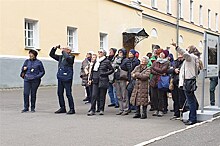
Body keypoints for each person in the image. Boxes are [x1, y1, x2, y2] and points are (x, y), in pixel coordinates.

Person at [171, 42, 201, 125]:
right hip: (190, 80)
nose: (186, 51)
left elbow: (184, 53)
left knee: (190, 101)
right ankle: (193, 116)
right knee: (191, 100)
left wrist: (176, 46)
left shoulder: (191, 57)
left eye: (188, 49)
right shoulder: (195, 58)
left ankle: (192, 118)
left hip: (188, 81)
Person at [49, 45, 75, 114]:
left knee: (68, 94)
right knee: (59, 93)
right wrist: (54, 48)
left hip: (67, 77)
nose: (63, 50)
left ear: (69, 51)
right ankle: (62, 107)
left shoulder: (71, 57)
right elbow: (51, 55)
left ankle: (72, 108)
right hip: (60, 77)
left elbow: (67, 58)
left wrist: (63, 51)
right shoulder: (61, 57)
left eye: (65, 49)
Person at [87, 49, 114, 116]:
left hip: (103, 80)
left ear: (104, 54)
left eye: (100, 52)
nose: (99, 53)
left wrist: (105, 73)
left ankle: (101, 109)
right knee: (94, 95)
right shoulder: (96, 61)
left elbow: (112, 70)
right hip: (95, 79)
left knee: (102, 95)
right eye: (98, 52)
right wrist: (90, 79)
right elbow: (92, 71)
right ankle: (92, 109)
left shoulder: (106, 61)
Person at [20, 49, 45, 113]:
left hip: (35, 80)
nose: (30, 55)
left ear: (35, 55)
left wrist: (37, 77)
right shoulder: (27, 61)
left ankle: (32, 107)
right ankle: (26, 107)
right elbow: (23, 68)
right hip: (27, 79)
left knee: (33, 94)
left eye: (32, 54)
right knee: (26, 93)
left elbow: (42, 71)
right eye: (30, 54)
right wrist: (23, 69)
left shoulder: (39, 62)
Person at [150, 49, 170, 117]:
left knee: (160, 96)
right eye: (161, 53)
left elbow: (163, 70)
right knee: (153, 96)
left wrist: (154, 68)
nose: (161, 54)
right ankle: (155, 109)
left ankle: (160, 109)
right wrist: (158, 71)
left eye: (163, 53)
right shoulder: (155, 61)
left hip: (161, 80)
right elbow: (151, 70)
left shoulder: (166, 62)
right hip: (154, 80)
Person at [121, 49, 140, 115]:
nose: (130, 54)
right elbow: (123, 67)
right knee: (129, 91)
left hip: (135, 78)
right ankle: (129, 106)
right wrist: (124, 61)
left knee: (134, 92)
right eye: (129, 53)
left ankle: (135, 106)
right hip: (129, 78)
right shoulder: (127, 60)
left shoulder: (137, 61)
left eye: (131, 53)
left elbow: (138, 69)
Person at [168, 53, 187, 118]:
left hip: (182, 83)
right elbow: (168, 70)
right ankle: (176, 113)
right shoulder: (174, 62)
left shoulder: (186, 62)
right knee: (175, 99)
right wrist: (174, 70)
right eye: (179, 56)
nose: (180, 57)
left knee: (182, 99)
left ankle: (184, 113)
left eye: (181, 56)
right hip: (174, 83)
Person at [112, 48, 128, 115]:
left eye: (121, 52)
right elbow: (112, 69)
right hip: (116, 78)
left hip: (123, 79)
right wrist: (113, 80)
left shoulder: (126, 60)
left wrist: (128, 80)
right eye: (119, 52)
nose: (120, 54)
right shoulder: (115, 60)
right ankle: (121, 109)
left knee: (124, 95)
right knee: (118, 95)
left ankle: (126, 109)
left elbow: (128, 70)